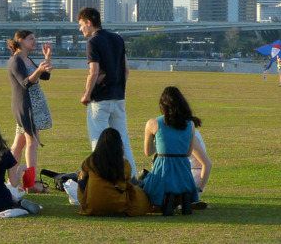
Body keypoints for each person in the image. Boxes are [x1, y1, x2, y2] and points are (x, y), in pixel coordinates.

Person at [78, 7, 137, 176]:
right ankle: (131, 176)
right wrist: (119, 89)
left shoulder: (92, 42)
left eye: (81, 24)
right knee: (122, 139)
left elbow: (94, 72)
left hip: (100, 99)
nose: (80, 28)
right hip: (118, 97)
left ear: (89, 23)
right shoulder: (118, 39)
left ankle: (101, 177)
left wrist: (87, 94)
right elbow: (126, 70)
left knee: (98, 140)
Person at [7, 30, 53, 193]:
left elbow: (45, 77)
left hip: (34, 104)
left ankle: (12, 180)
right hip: (26, 106)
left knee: (18, 145)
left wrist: (46, 59)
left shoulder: (27, 59)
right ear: (20, 40)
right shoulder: (16, 60)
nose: (34, 41)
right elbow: (25, 82)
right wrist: (39, 69)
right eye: (31, 39)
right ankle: (30, 183)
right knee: (32, 142)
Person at [142, 86, 200, 215]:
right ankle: (183, 198)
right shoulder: (190, 124)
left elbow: (148, 152)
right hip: (183, 171)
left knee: (145, 184)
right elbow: (188, 153)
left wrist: (160, 143)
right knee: (180, 181)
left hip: (162, 168)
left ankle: (167, 199)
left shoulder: (153, 123)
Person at [77, 127, 152, 216]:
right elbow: (126, 185)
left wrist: (84, 202)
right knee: (140, 194)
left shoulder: (90, 162)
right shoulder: (124, 164)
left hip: (93, 206)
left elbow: (81, 184)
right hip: (118, 206)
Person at [189, 123, 212, 204]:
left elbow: (207, 164)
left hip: (193, 178)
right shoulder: (191, 134)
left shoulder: (191, 138)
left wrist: (198, 191)